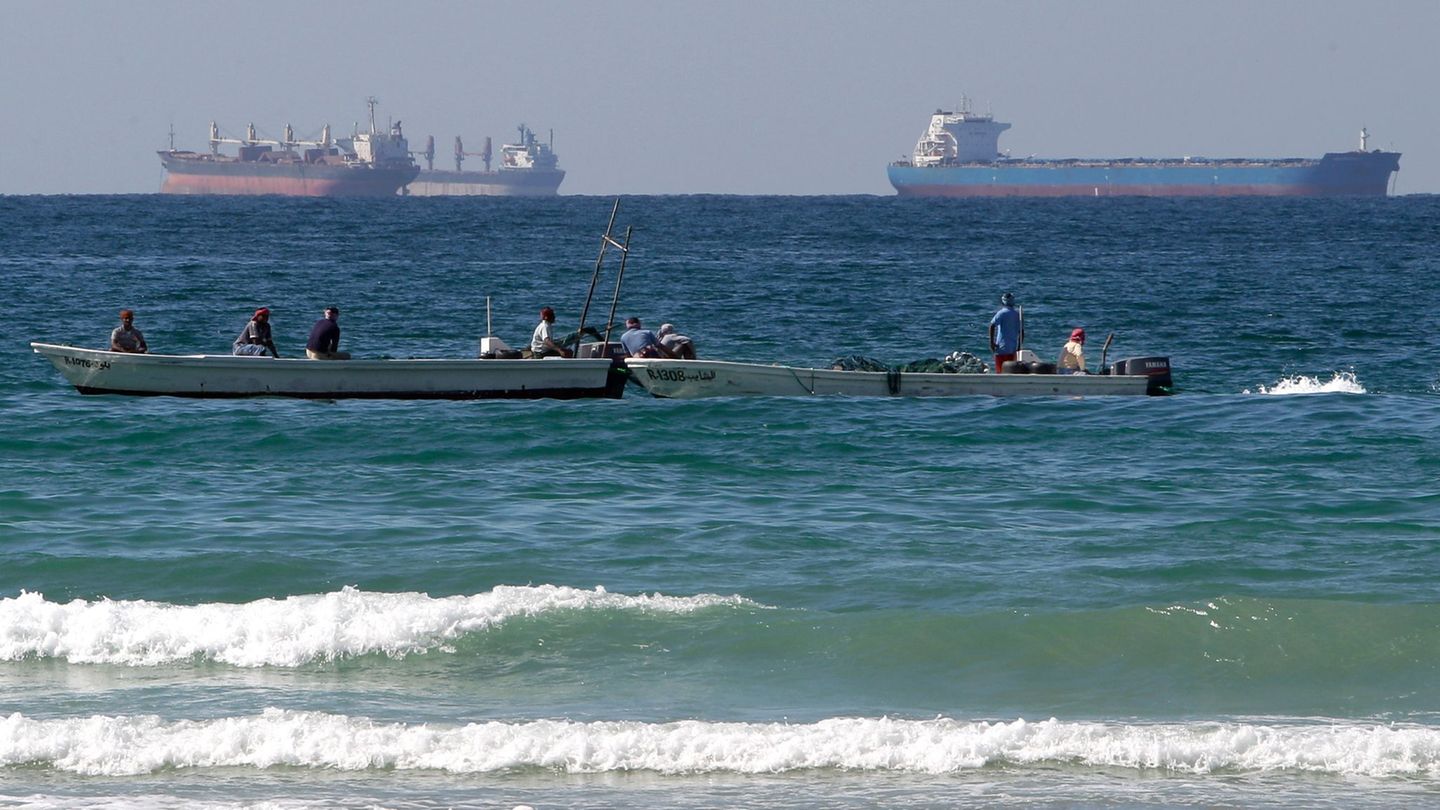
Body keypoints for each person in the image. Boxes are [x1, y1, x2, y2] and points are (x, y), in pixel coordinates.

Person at [987, 291, 1024, 373]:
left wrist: (991, 342)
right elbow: (1021, 332)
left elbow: (992, 325)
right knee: (1010, 371)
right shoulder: (1017, 314)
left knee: (1000, 371)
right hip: (1012, 348)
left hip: (1001, 348)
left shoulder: (1001, 313)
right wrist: (1019, 346)